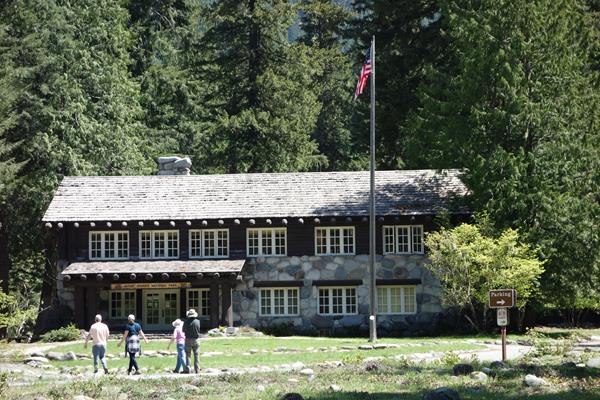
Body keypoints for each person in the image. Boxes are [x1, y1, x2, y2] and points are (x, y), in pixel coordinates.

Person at [182, 309, 201, 374]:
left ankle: (188, 369)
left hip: (188, 339)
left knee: (188, 355)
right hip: (196, 339)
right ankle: (197, 369)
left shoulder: (186, 322)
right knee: (197, 355)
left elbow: (183, 330)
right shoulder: (198, 321)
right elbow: (199, 330)